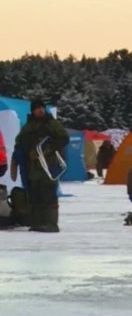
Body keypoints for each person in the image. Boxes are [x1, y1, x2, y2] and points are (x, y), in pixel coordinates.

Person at [14, 99, 68, 232]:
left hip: (49, 166)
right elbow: (20, 143)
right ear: (32, 110)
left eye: (42, 108)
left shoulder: (52, 124)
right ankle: (38, 223)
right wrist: (15, 159)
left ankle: (51, 224)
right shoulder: (27, 127)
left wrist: (48, 150)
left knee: (49, 194)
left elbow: (64, 138)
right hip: (32, 168)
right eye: (37, 108)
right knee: (35, 195)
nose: (40, 110)